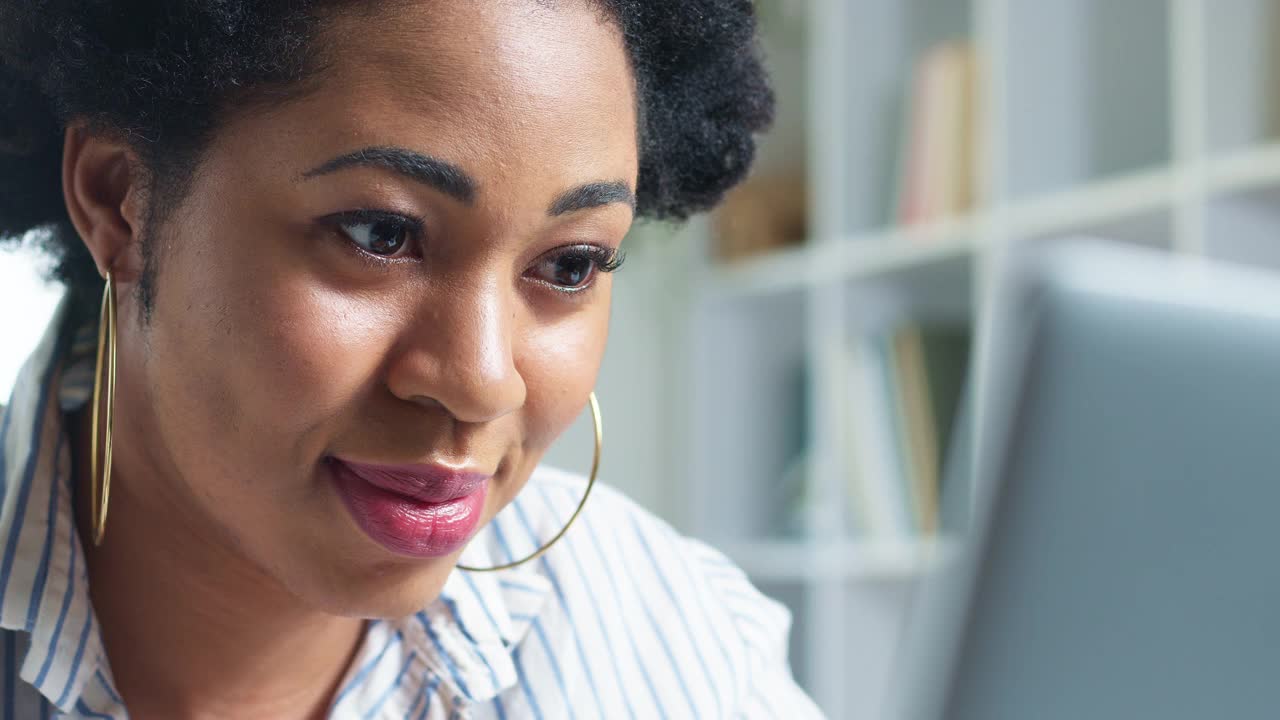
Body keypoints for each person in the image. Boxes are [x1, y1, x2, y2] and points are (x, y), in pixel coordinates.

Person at [0, 1, 821, 718]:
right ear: (120, 200)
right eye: (380, 234)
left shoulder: (683, 649)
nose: (481, 380)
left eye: (570, 265)